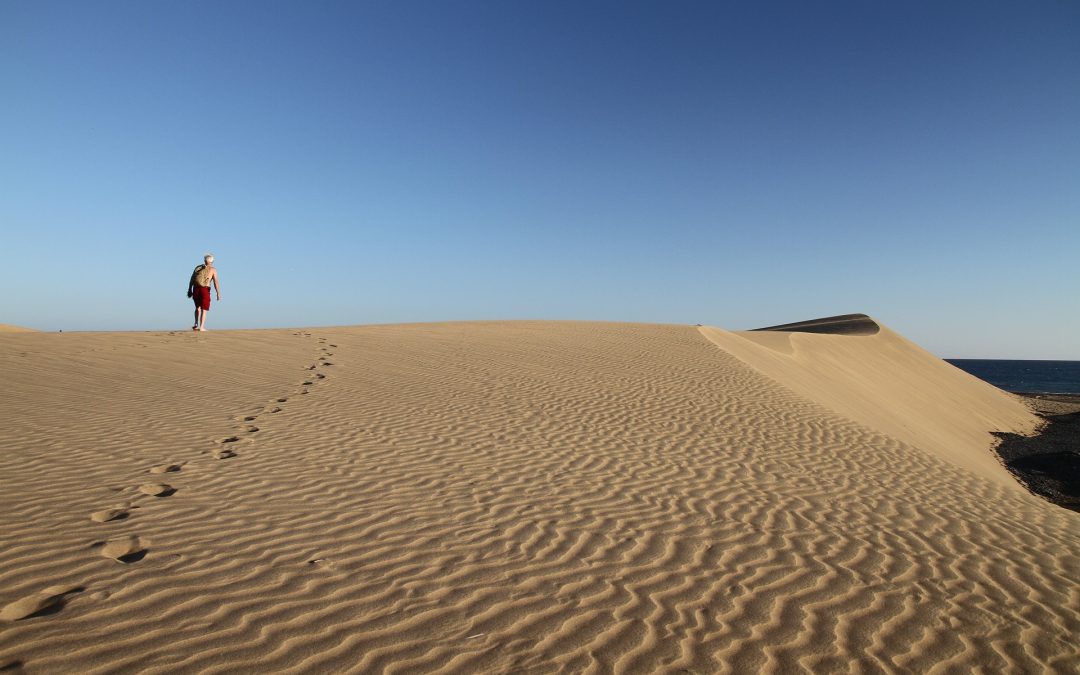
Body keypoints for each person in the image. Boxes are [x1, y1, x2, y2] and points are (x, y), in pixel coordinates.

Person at [187, 253, 221, 331]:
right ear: (212, 261)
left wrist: (189, 289)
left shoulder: (198, 268)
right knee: (204, 309)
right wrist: (218, 293)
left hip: (196, 289)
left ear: (204, 260)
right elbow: (216, 282)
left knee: (197, 307)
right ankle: (201, 327)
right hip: (205, 289)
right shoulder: (213, 269)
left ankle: (196, 323)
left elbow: (192, 279)